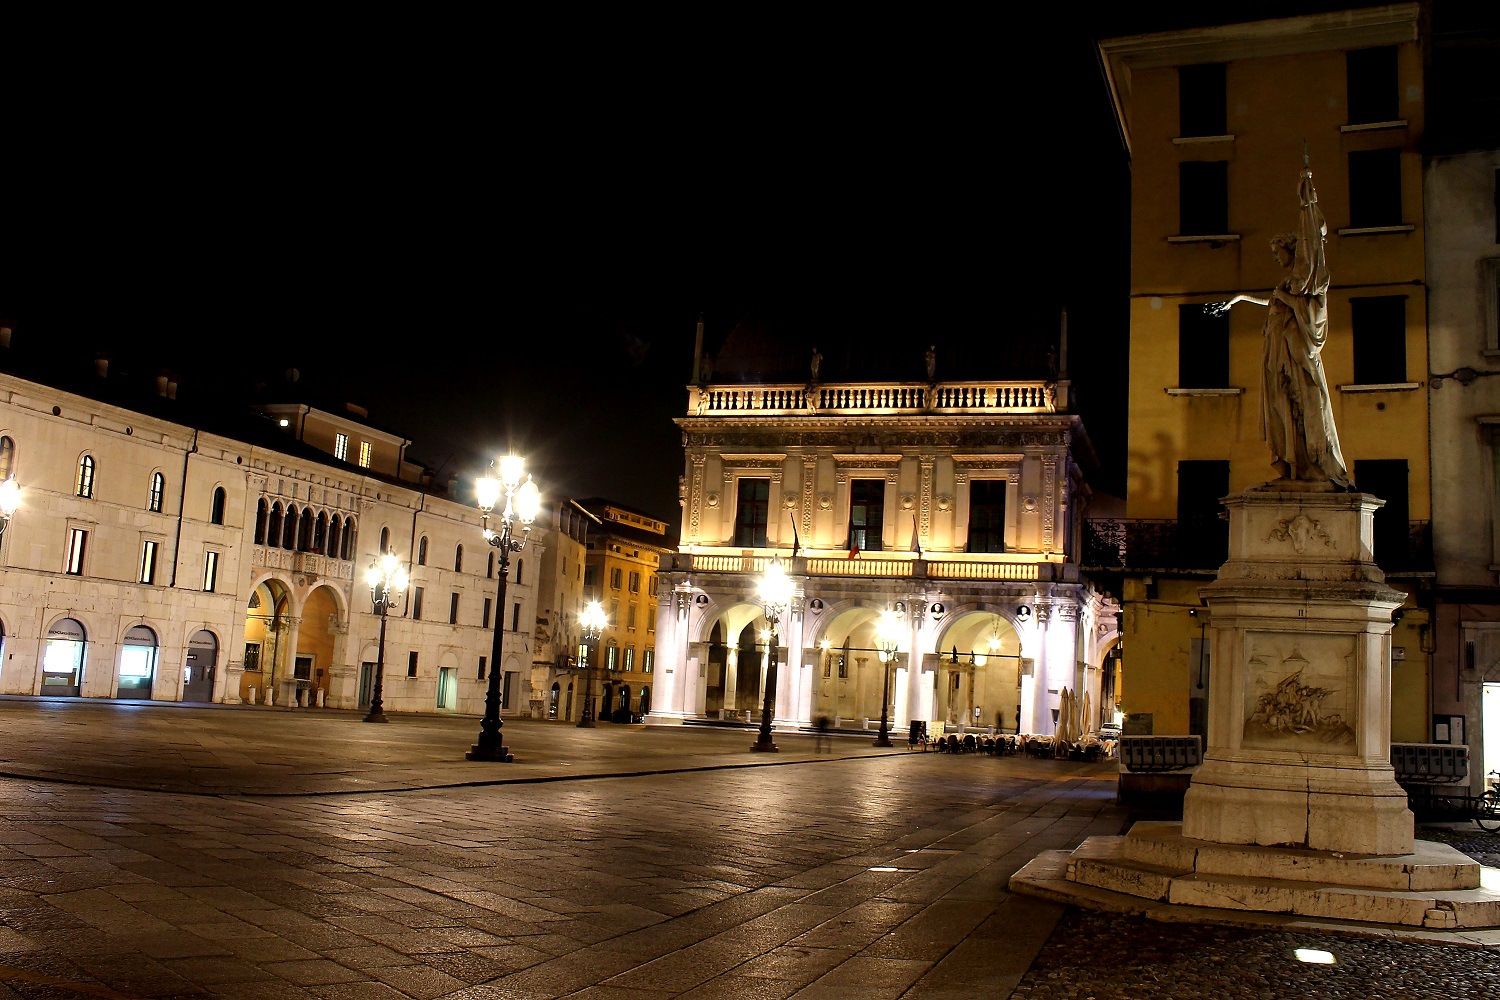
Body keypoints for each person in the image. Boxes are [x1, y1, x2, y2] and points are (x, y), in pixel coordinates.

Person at [1219, 164, 1352, 489]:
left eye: (1279, 252)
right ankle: (1292, 463)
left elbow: (1308, 303)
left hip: (1296, 352)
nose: (1277, 258)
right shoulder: (1288, 285)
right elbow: (1274, 300)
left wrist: (1307, 204)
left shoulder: (1309, 280)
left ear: (1292, 251)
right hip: (1278, 351)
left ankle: (1312, 466)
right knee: (1282, 407)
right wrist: (1240, 298)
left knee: (1303, 403)